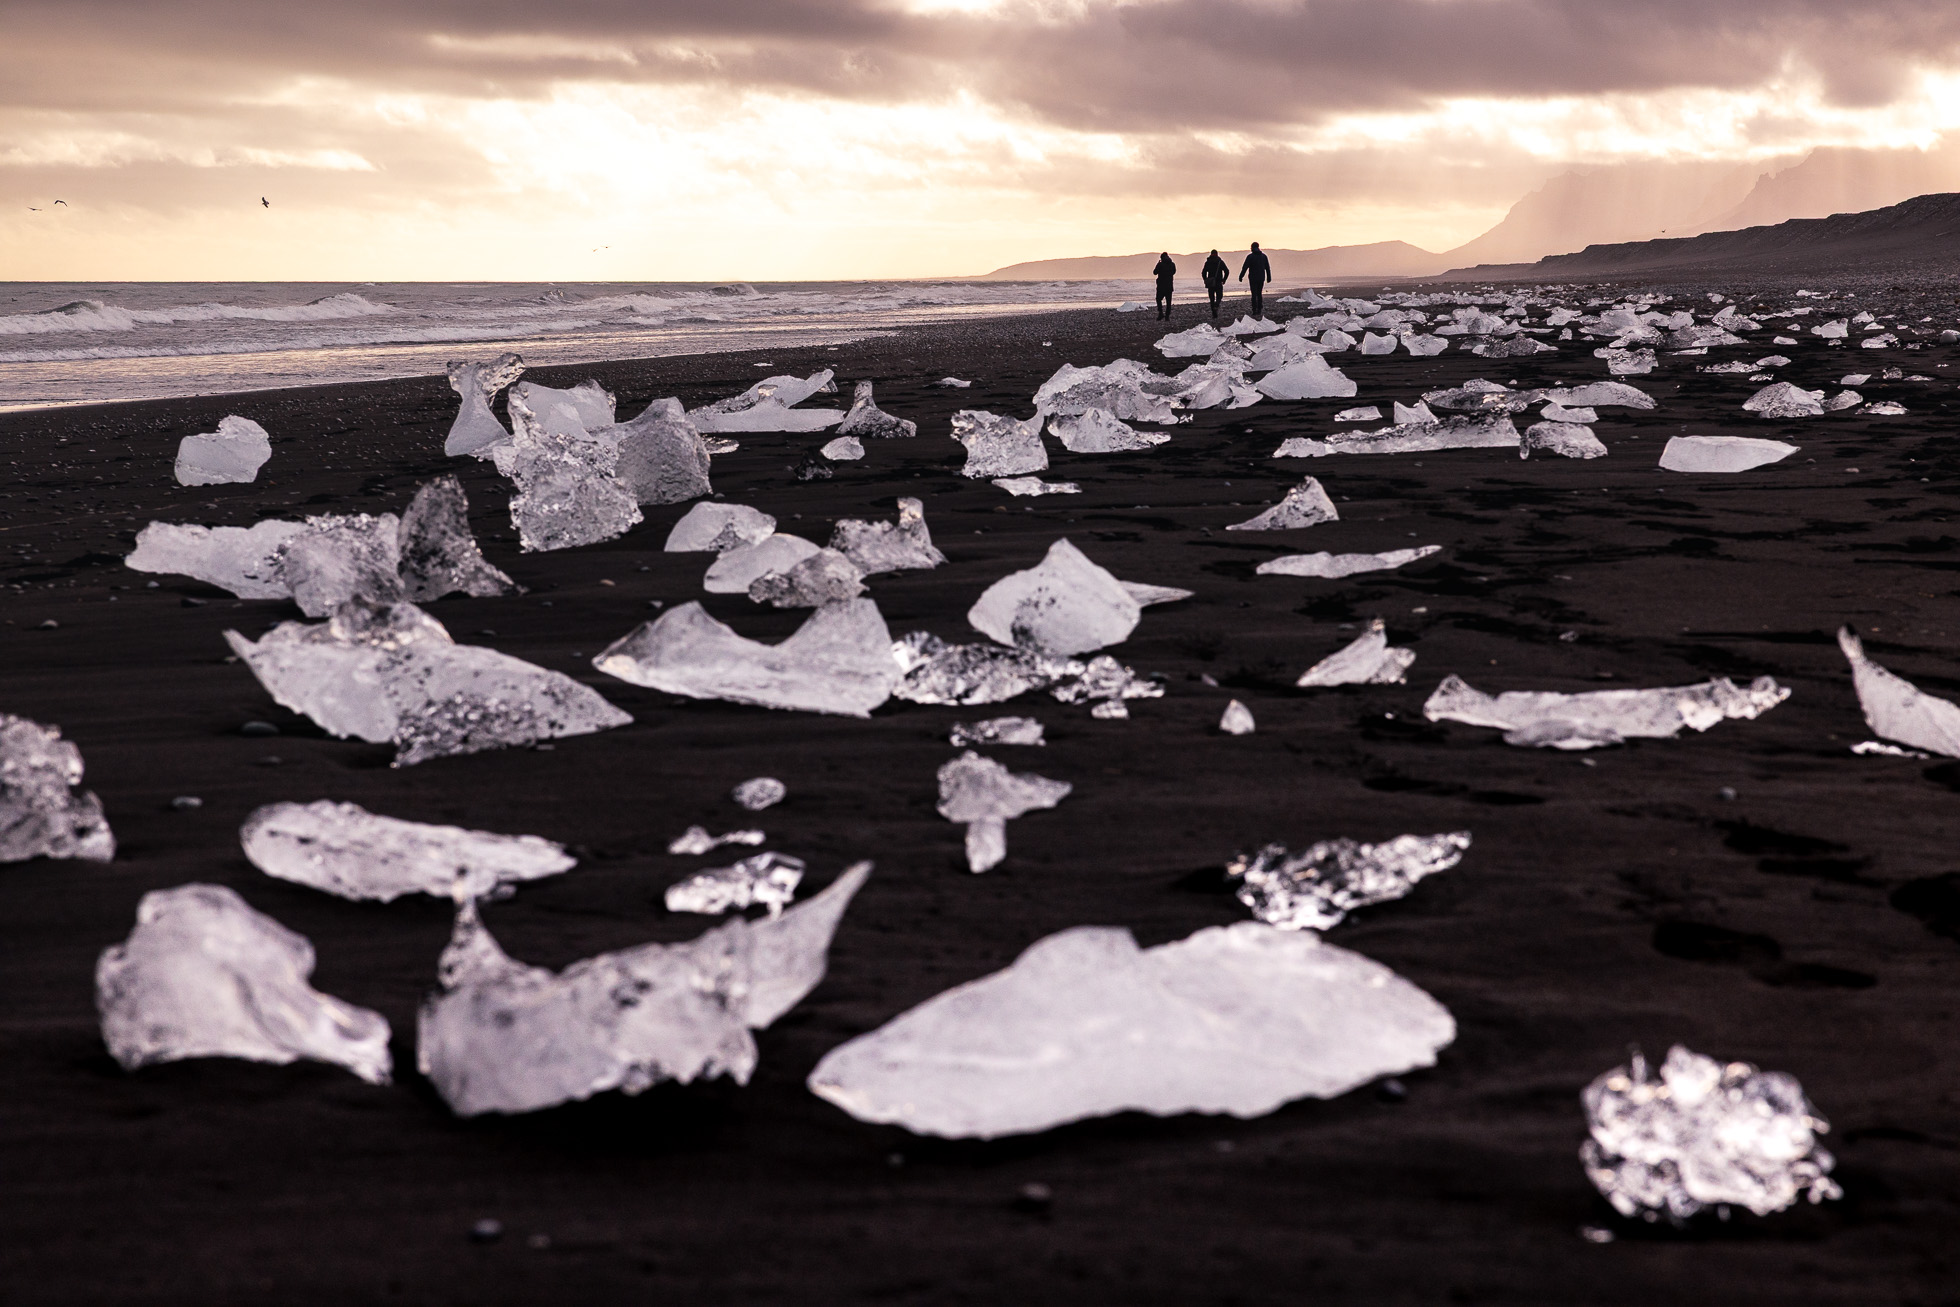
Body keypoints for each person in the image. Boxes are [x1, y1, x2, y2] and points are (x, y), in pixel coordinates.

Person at [1238, 241, 1273, 318]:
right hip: (1261, 277)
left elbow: (1245, 267)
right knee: (1259, 293)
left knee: (1254, 294)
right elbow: (1267, 268)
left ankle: (1254, 310)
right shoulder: (1264, 256)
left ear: (1252, 248)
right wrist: (1269, 277)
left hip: (1253, 278)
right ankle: (1259, 309)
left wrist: (1241, 276)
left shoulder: (1250, 257)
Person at [1201, 249, 1228, 318]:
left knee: (1211, 298)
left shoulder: (1208, 262)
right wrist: (1224, 279)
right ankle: (1216, 305)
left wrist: (1206, 279)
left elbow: (1203, 272)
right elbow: (1227, 271)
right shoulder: (1220, 262)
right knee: (1219, 296)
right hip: (1218, 282)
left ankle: (1214, 314)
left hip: (1210, 283)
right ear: (1217, 254)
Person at [1152, 252, 1176, 320]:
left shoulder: (1160, 264)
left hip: (1161, 286)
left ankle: (1161, 313)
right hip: (1169, 285)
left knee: (1158, 299)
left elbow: (1154, 272)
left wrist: (1158, 264)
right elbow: (1174, 272)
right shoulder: (1172, 264)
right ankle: (1167, 316)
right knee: (1168, 302)